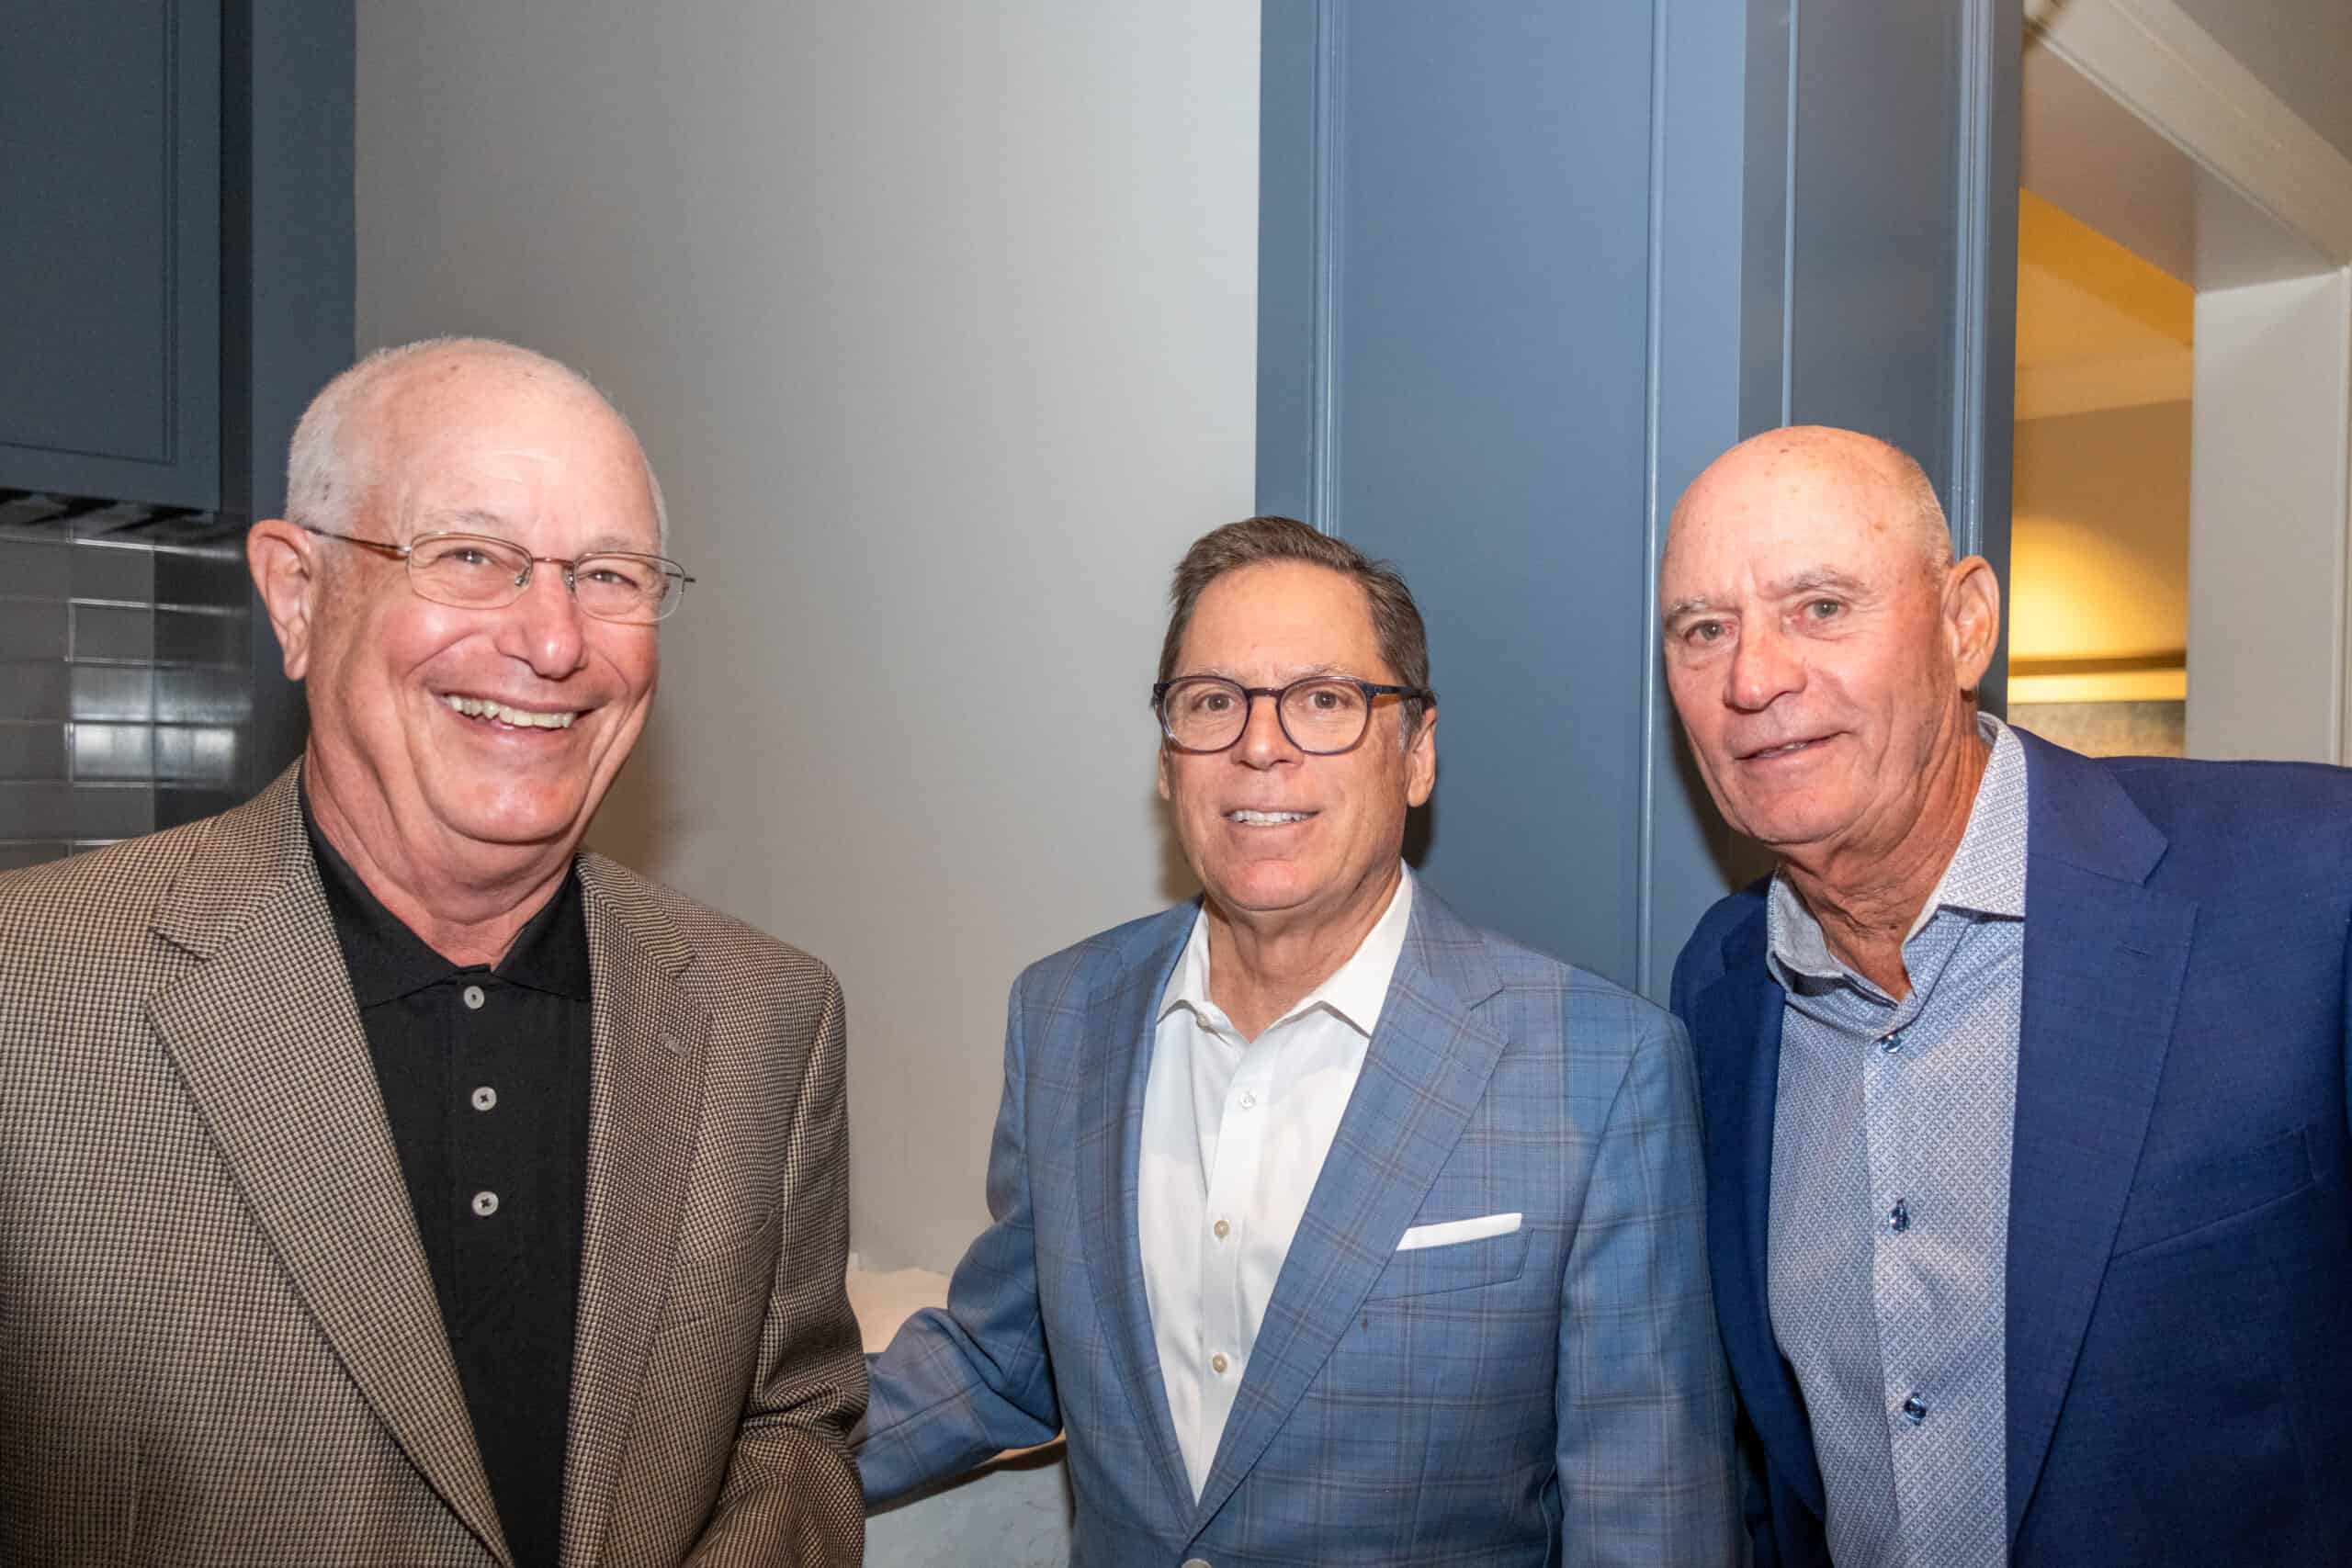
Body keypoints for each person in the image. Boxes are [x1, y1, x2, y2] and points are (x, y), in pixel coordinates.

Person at [0, 339, 864, 1565]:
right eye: (470, 556)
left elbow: (794, 1422)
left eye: (608, 575)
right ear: (297, 594)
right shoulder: (27, 991)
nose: (554, 641)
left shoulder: (769, 1016)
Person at [859, 516, 1737, 1565]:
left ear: (1417, 754)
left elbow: (1648, 1519)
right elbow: (1002, 1358)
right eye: (1212, 701)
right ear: (1167, 760)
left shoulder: (1599, 1069)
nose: (1259, 744)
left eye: (1323, 699)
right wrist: (732, 1452)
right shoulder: (1063, 1018)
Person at [1661, 424, 2352, 1567]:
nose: (1754, 678)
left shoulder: (2311, 883)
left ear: (1964, 623)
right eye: (1703, 629)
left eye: (1820, 607)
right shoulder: (1721, 986)